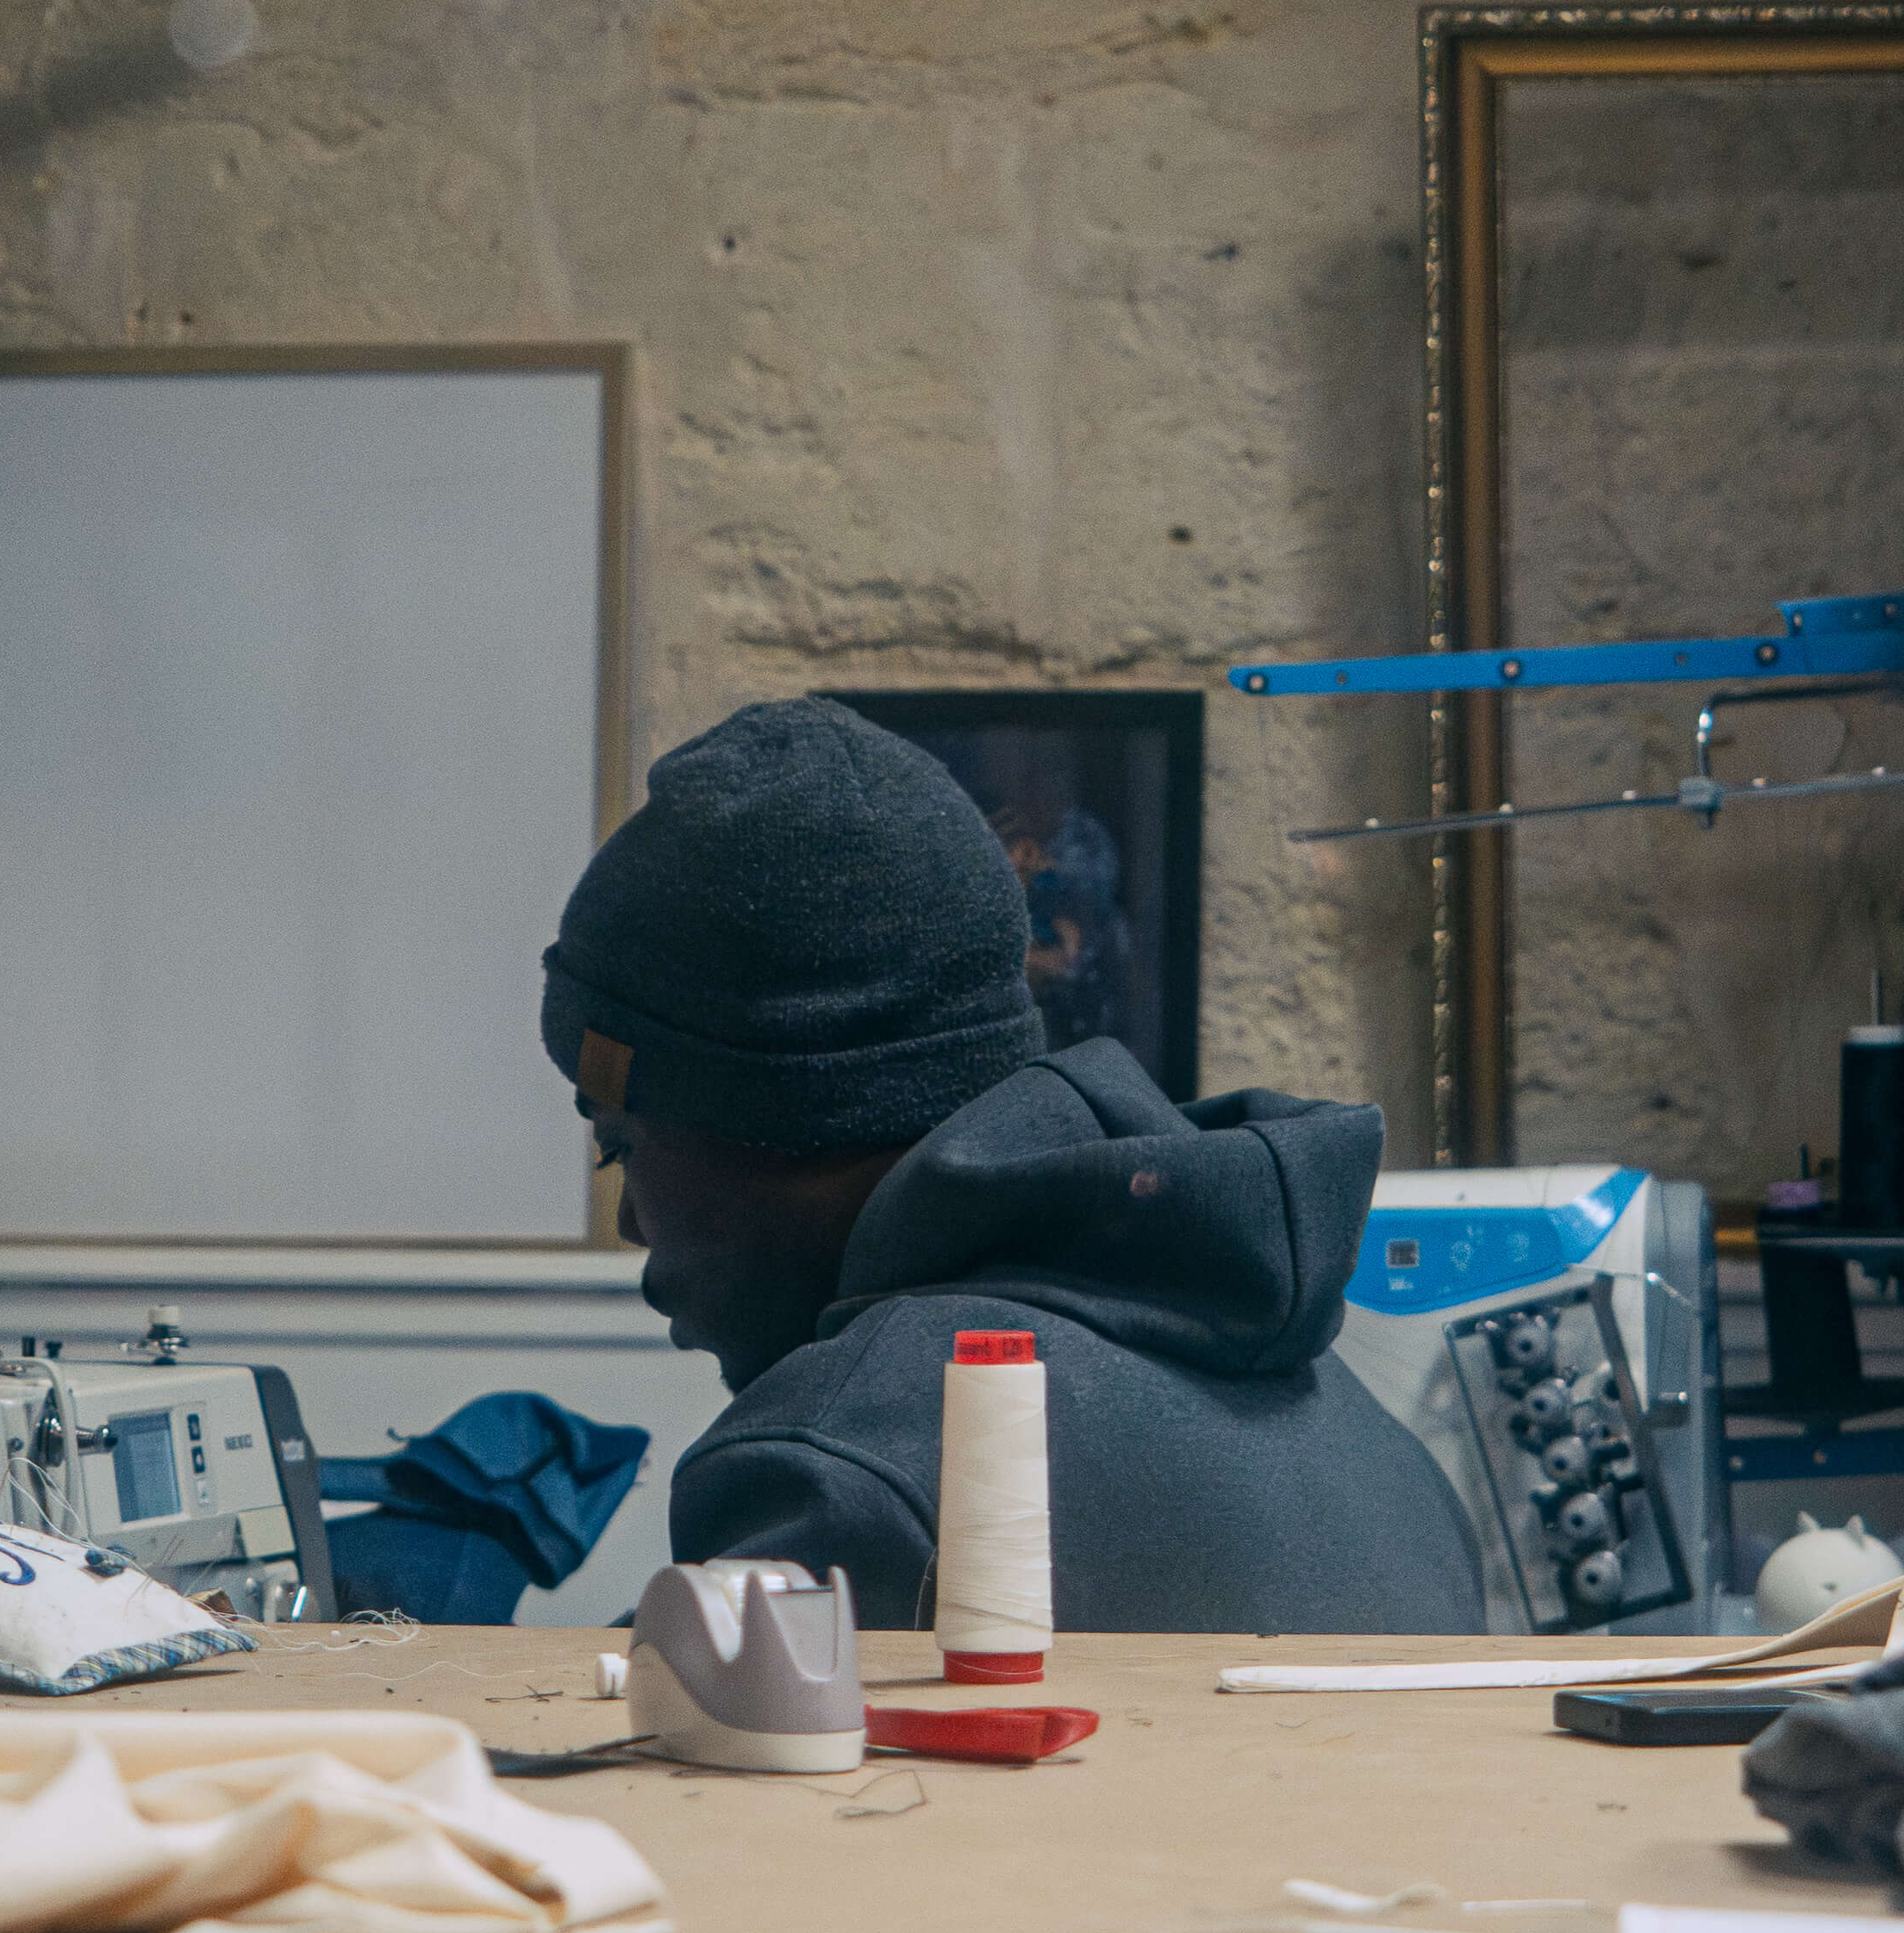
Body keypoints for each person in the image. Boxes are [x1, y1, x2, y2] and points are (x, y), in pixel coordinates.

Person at [539, 695, 1485, 1631]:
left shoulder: (850, 1471)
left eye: (620, 1146)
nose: (628, 1221)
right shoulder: (1380, 1454)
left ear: (781, 1127)